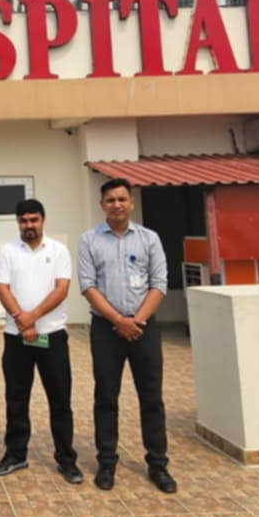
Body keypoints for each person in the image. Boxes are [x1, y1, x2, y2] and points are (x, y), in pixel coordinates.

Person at [77, 178, 176, 494]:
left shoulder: (149, 239)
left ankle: (158, 464)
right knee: (106, 396)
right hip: (106, 329)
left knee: (151, 398)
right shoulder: (89, 240)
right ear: (102, 204)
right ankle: (107, 463)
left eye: (122, 199)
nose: (116, 205)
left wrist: (137, 320)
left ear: (131, 203)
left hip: (144, 328)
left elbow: (159, 283)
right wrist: (118, 320)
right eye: (110, 200)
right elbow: (87, 285)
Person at [0, 199, 81, 483]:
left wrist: (33, 317)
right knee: (16, 399)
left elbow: (62, 289)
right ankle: (15, 454)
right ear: (18, 222)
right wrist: (22, 320)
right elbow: (2, 288)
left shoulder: (58, 251)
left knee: (60, 400)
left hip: (51, 337)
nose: (29, 225)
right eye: (23, 220)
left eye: (34, 220)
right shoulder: (8, 251)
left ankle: (66, 459)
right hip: (16, 338)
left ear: (43, 219)